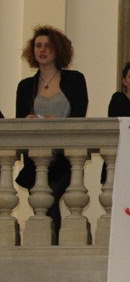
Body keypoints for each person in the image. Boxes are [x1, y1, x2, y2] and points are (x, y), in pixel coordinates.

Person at [14, 25, 89, 238]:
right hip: (36, 157)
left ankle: (52, 244)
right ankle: (50, 244)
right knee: (44, 206)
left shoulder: (75, 79)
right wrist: (28, 120)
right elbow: (19, 122)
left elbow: (79, 115)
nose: (42, 50)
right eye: (38, 45)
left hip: (65, 157)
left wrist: (58, 122)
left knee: (50, 198)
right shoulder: (25, 86)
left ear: (58, 50)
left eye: (48, 45)